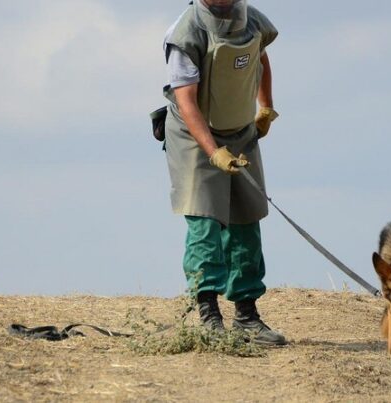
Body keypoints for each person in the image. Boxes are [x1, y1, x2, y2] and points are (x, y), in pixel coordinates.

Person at [160, 0, 285, 345]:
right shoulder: (186, 34)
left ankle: (247, 317)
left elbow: (260, 58)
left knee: (247, 217)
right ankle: (208, 316)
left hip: (240, 129)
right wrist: (213, 153)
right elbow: (186, 101)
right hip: (193, 132)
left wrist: (266, 107)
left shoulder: (251, 21)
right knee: (205, 220)